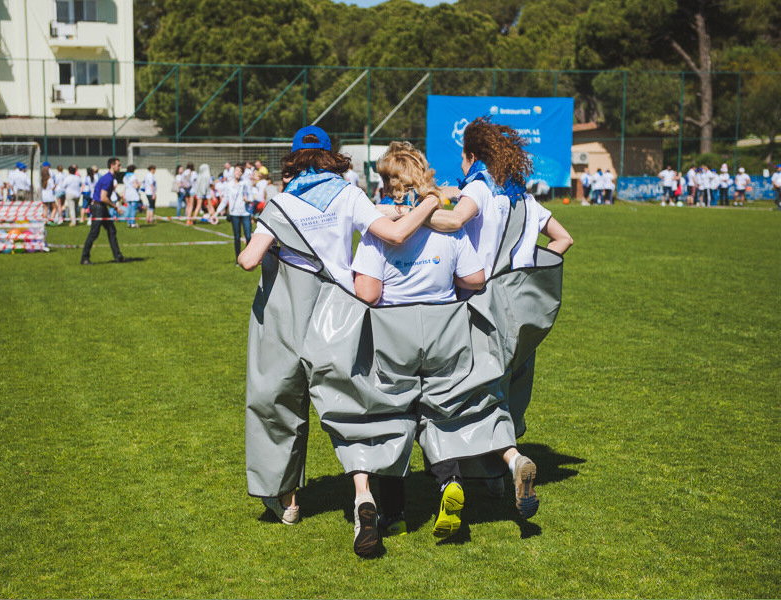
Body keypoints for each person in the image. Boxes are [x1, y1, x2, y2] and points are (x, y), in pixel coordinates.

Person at [237, 126, 440, 552]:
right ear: (331, 156)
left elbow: (249, 259)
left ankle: (287, 501)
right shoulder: (349, 195)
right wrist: (430, 203)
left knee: (276, 400)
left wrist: (265, 248)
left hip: (286, 318)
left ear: (293, 159)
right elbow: (394, 234)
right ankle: (364, 494)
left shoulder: (281, 203)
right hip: (340, 313)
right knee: (353, 404)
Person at [423, 116, 573, 536]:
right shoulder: (524, 196)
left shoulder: (479, 187)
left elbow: (455, 222)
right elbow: (563, 240)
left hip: (482, 304)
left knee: (467, 392)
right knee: (509, 388)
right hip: (523, 309)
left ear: (472, 155)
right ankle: (495, 477)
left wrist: (411, 217)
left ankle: (503, 464)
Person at [352, 141, 486, 540]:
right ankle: (449, 481)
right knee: (441, 411)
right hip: (445, 327)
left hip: (395, 329)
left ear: (389, 183)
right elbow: (475, 279)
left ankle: (393, 511)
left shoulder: (380, 233)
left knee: (392, 415)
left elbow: (368, 293)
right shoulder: (448, 227)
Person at [80, 157, 126, 265]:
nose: (120, 167)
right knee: (94, 233)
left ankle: (118, 256)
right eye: (118, 165)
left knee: (112, 230)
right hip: (98, 207)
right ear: (112, 166)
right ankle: (84, 258)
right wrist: (116, 207)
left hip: (101, 207)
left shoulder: (109, 178)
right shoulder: (108, 179)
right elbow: (103, 197)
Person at [214, 165, 252, 264]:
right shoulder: (229, 185)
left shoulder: (245, 183)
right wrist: (216, 212)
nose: (238, 173)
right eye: (236, 171)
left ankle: (246, 257)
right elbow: (225, 200)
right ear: (234, 172)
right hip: (234, 213)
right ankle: (238, 259)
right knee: (237, 237)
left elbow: (251, 197)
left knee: (248, 236)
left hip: (245, 213)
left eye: (240, 171)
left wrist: (247, 200)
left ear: (242, 173)